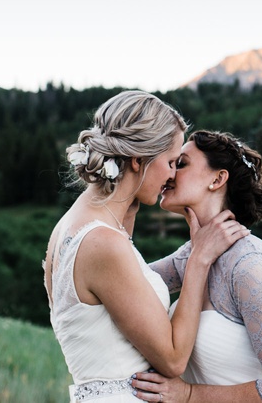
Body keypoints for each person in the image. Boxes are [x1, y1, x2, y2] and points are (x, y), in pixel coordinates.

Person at [43, 91, 250, 403]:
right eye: (170, 162)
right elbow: (173, 358)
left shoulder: (72, 228)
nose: (172, 175)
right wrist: (199, 259)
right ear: (138, 160)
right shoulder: (103, 243)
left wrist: (132, 200)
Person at [132, 130, 262, 403]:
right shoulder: (191, 256)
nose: (169, 172)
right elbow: (124, 287)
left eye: (181, 164)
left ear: (217, 179)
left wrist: (189, 394)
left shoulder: (248, 263)